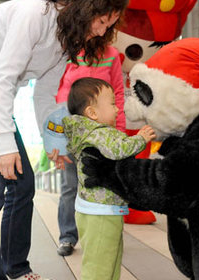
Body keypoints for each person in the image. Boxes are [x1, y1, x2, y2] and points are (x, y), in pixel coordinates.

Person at [0, 0, 128, 279]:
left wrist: (55, 144)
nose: (100, 32)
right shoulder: (35, 14)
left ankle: (16, 267)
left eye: (108, 27)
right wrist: (4, 146)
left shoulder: (66, 41)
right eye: (101, 21)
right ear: (85, 8)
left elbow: (44, 96)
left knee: (22, 183)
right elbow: (4, 76)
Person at [62, 77, 156, 280]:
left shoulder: (86, 133)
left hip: (92, 209)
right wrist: (140, 138)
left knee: (107, 260)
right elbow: (118, 149)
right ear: (92, 113)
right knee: (99, 268)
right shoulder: (101, 134)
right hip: (102, 211)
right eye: (112, 103)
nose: (117, 109)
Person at [54, 44, 125, 256]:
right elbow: (54, 91)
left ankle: (104, 235)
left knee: (105, 185)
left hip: (103, 134)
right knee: (70, 185)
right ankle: (67, 236)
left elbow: (118, 93)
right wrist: (55, 137)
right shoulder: (67, 52)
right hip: (71, 132)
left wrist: (119, 131)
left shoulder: (111, 54)